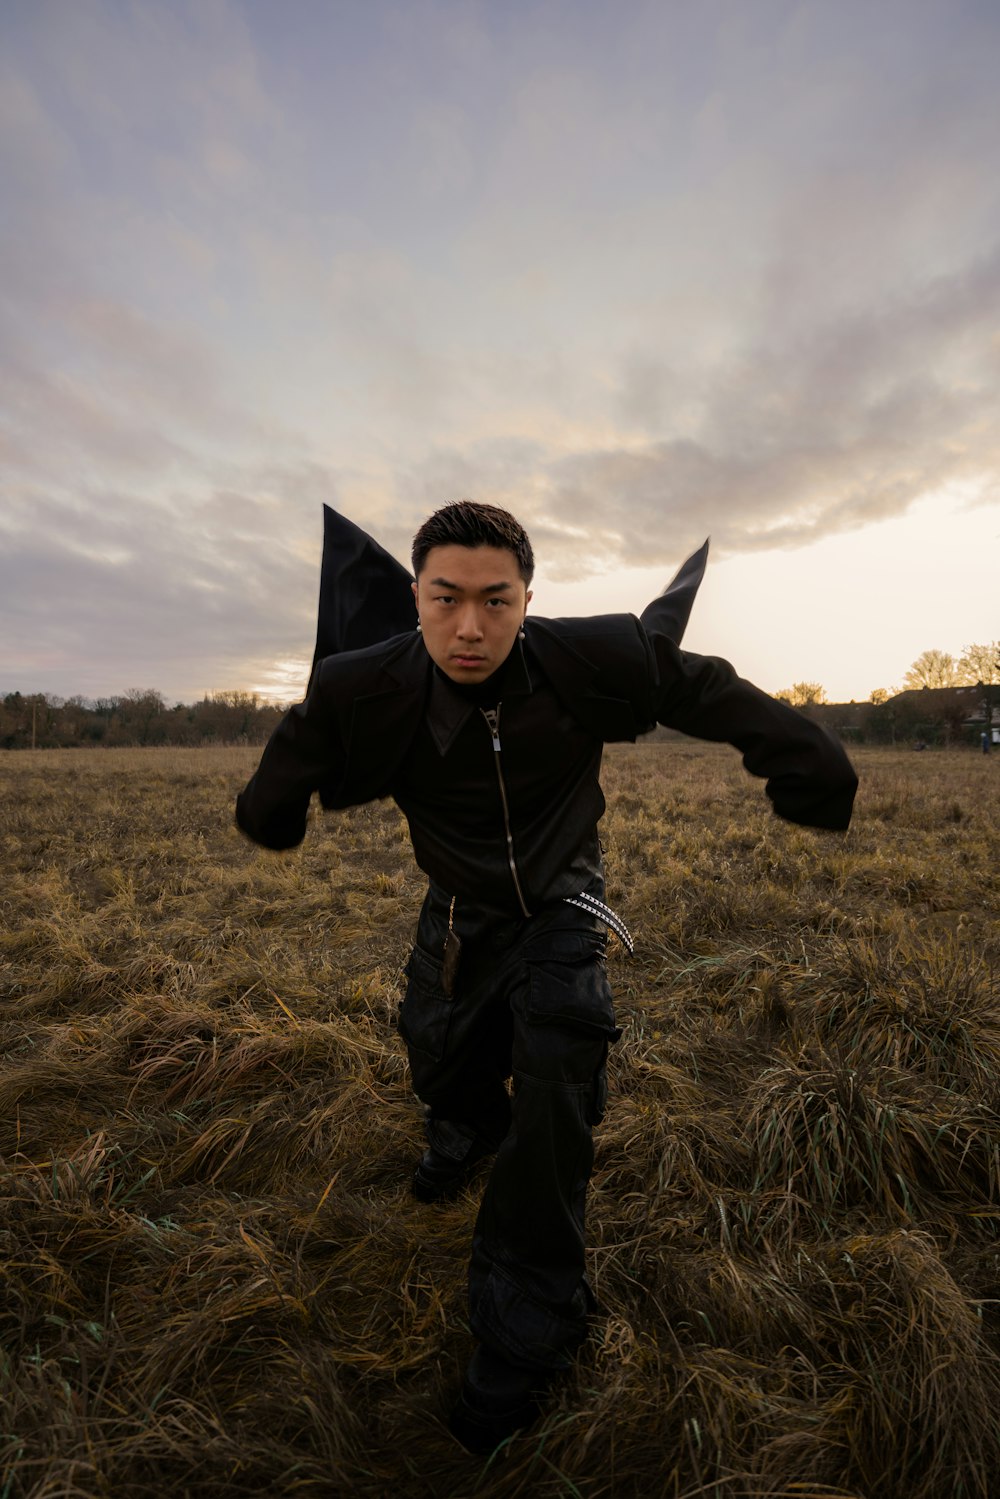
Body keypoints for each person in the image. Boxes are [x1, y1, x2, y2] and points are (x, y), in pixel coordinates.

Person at [235, 501, 858, 1453]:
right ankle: (461, 1123)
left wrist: (809, 766)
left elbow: (707, 688)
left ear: (530, 598)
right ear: (416, 596)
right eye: (446, 599)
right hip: (458, 910)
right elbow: (304, 742)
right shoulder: (367, 685)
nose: (471, 626)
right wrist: (274, 808)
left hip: (565, 908)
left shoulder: (588, 662)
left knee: (559, 1092)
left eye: (497, 599)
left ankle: (526, 1328)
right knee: (439, 1058)